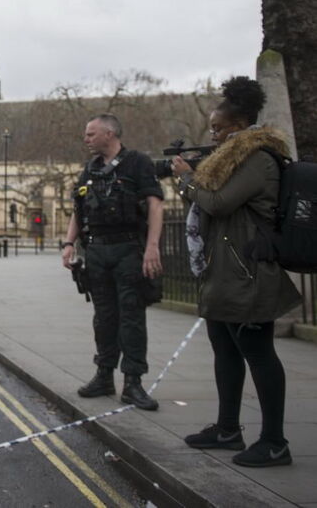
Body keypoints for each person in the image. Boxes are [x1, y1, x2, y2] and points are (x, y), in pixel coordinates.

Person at [171, 76, 301, 467]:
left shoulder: (256, 157)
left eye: (218, 128)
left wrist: (186, 180)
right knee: (225, 350)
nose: (213, 135)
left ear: (240, 125)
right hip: (224, 270)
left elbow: (219, 203)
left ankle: (274, 442)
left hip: (248, 271)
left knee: (259, 354)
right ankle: (228, 428)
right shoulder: (231, 159)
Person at [61, 113, 164, 411]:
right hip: (96, 251)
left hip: (128, 248)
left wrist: (152, 247)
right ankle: (104, 375)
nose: (86, 139)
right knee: (104, 317)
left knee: (131, 316)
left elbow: (155, 205)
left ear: (109, 134)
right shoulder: (90, 168)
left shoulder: (138, 163)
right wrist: (69, 243)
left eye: (91, 134)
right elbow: (78, 208)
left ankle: (133, 382)